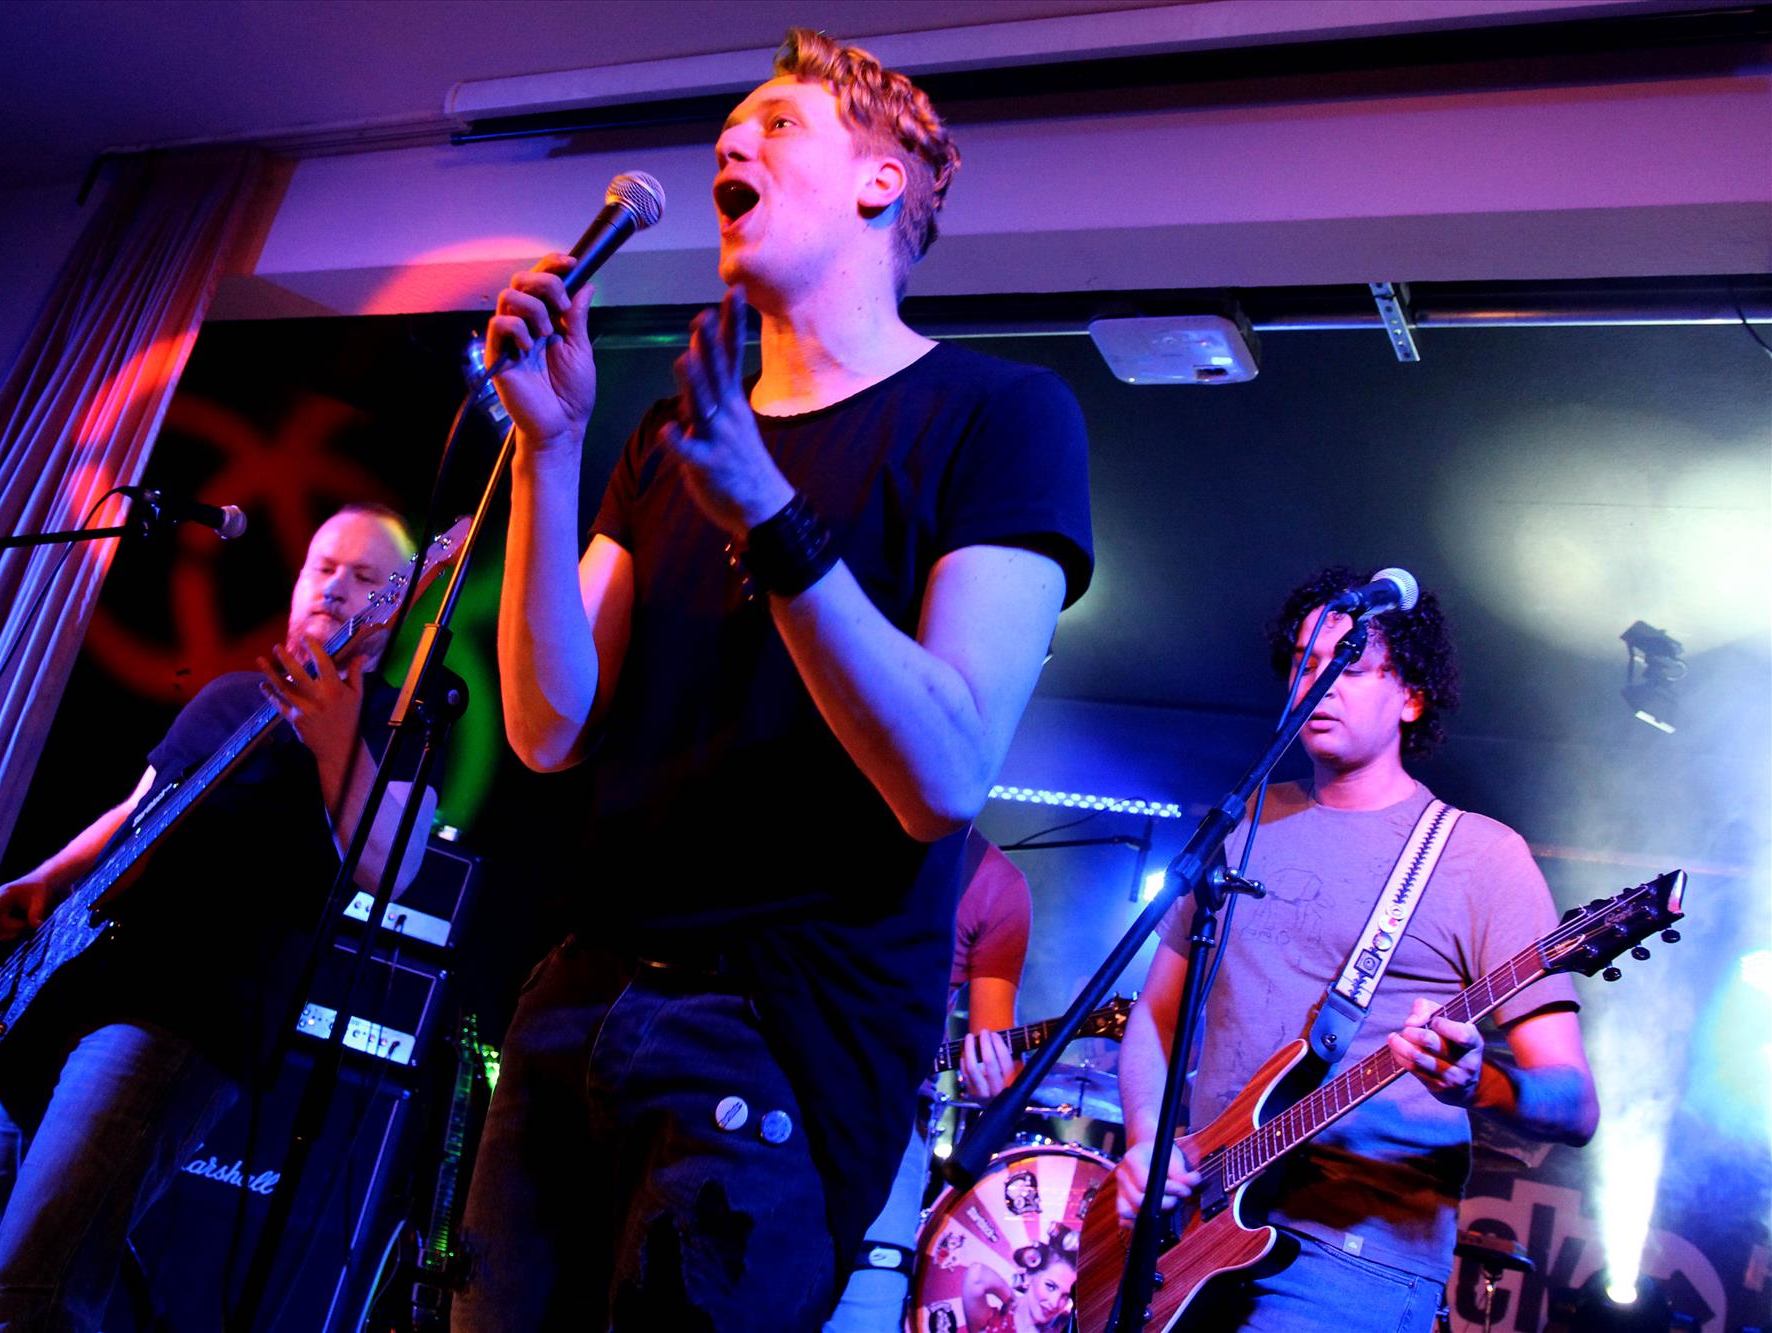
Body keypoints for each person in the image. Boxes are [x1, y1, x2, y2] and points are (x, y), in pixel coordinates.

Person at [454, 27, 1092, 1331]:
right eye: (728, 131)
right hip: (579, 995)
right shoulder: (672, 434)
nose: (729, 143)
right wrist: (550, 450)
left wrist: (770, 516)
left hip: (780, 1038)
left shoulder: (1001, 414)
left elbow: (945, 775)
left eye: (777, 123)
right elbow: (547, 726)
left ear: (882, 181)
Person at [0, 504, 440, 1331]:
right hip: (66, 980)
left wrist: (335, 737)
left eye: (366, 577)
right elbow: (139, 811)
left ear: (400, 601)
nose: (337, 588)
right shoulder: (232, 692)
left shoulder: (391, 725)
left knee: (32, 1291)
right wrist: (48, 876)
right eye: (324, 567)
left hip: (177, 1016)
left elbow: (393, 868)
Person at [1110, 567, 1599, 1332]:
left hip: (1355, 1260)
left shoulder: (1480, 857)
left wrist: (1480, 1083)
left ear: (1411, 696)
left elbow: (1574, 1102)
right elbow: (1154, 1019)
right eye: (1306, 663)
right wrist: (1146, 1141)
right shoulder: (1242, 827)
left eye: (1350, 664)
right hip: (1194, 1229)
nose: (1321, 682)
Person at [826, 826, 1033, 1332]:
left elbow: (995, 1044)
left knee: (865, 1314)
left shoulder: (996, 884)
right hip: (776, 1083)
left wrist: (994, 1084)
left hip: (890, 1124)